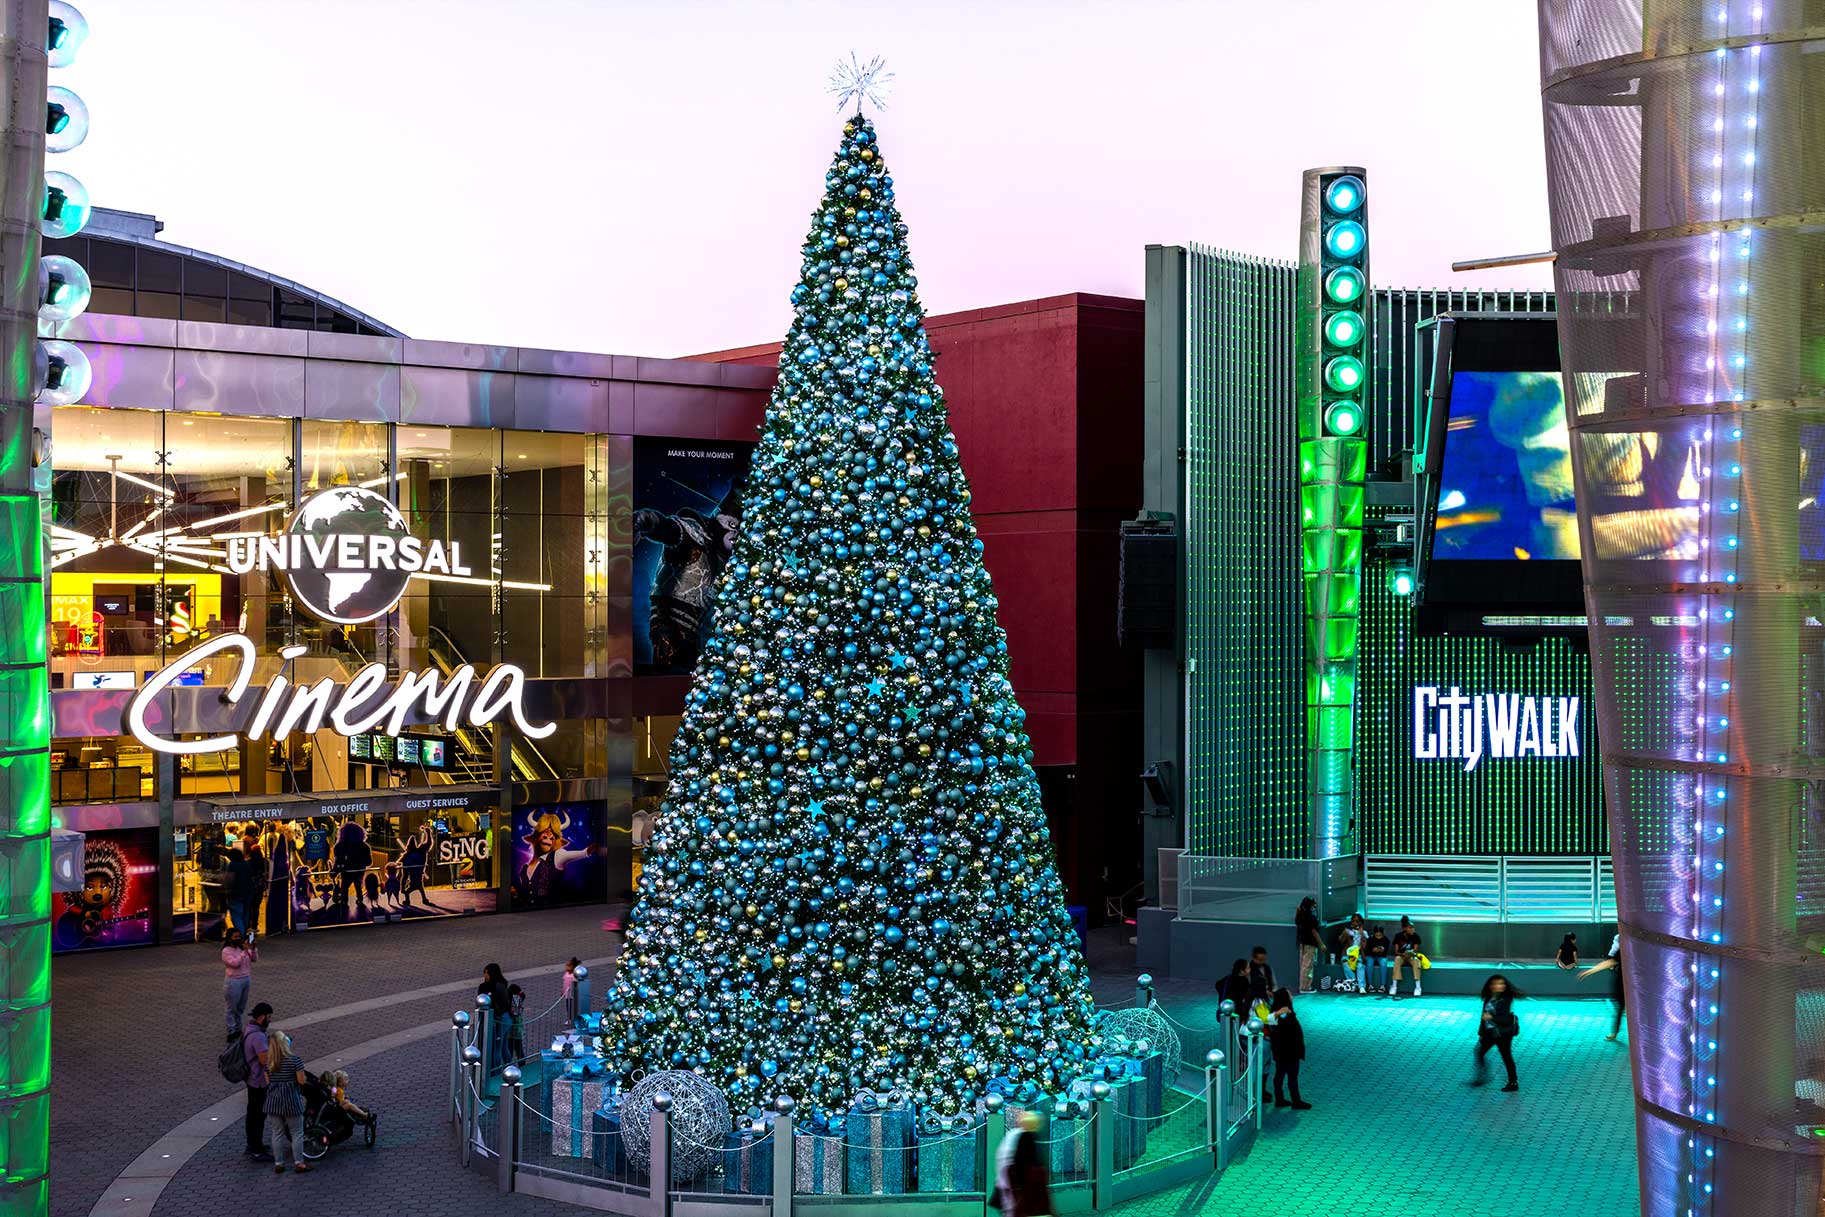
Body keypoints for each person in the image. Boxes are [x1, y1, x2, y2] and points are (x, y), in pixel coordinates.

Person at [264, 1029, 313, 1174]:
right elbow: (301, 1080)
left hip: (273, 1100)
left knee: (277, 1132)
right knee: (297, 1132)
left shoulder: (269, 1063)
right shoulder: (294, 1060)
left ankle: (278, 1163)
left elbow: (267, 1082)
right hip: (291, 1099)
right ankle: (299, 1163)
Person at [992, 1109, 1052, 1217]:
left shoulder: (1014, 1135)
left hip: (1012, 1182)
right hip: (1019, 1183)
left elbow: (1003, 1159)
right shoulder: (1025, 1137)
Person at [1472, 975, 1522, 1092]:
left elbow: (1504, 1017)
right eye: (1496, 984)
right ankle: (1482, 1076)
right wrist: (1481, 1032)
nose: (1499, 986)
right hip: (1490, 1032)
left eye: (1501, 984)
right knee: (1479, 1052)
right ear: (1490, 986)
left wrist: (1491, 1017)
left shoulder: (1506, 998)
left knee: (1506, 1056)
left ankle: (1513, 1082)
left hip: (1502, 1033)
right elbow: (1483, 1016)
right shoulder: (1489, 997)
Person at [1267, 988, 1310, 1110]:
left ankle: (1280, 1098)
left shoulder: (1277, 1012)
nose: (1292, 996)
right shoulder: (1284, 1014)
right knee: (1292, 1076)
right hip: (1289, 1050)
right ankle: (1296, 1101)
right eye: (1289, 994)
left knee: (1280, 1074)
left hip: (1280, 1050)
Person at [1579, 933, 1626, 1041]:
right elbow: (1610, 962)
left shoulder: (1627, 947)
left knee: (1621, 1008)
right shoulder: (1623, 949)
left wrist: (1589, 972)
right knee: (1620, 1008)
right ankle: (1615, 1032)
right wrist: (1589, 971)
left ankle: (1614, 1032)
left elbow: (1610, 962)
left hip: (1626, 983)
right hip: (1622, 983)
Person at [243, 1002, 273, 1161]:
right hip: (259, 1080)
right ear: (262, 1017)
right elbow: (264, 1060)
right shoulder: (259, 1036)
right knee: (259, 1115)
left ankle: (252, 1144)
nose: (270, 1020)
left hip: (250, 1079)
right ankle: (257, 1149)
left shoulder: (249, 1029)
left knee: (252, 1113)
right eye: (268, 1017)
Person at [221, 928, 257, 1037]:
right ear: (229, 938)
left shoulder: (243, 948)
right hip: (233, 981)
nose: (238, 939)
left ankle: (239, 1029)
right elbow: (235, 963)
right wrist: (244, 952)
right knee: (231, 1008)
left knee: (241, 1007)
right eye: (235, 937)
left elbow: (254, 959)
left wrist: (253, 949)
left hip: (246, 979)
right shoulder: (226, 951)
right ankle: (231, 1031)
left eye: (239, 936)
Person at [478, 963, 511, 1070]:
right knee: (503, 1046)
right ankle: (508, 1068)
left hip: (499, 1018)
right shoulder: (502, 984)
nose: (485, 976)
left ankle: (496, 1071)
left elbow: (501, 1003)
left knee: (497, 1047)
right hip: (505, 1018)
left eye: (486, 973)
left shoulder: (494, 986)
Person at [1390, 916, 1424, 999]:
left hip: (1411, 956)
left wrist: (1410, 953)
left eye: (1413, 928)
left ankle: (1418, 987)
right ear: (1405, 928)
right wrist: (1403, 954)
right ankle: (1394, 986)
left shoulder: (1416, 936)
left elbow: (1415, 951)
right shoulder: (1398, 936)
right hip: (1402, 956)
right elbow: (1396, 952)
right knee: (1397, 959)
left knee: (1416, 961)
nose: (1413, 930)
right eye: (1410, 928)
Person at [1294, 897, 1323, 995]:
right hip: (1310, 943)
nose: (1315, 906)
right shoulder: (1311, 917)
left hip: (1302, 942)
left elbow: (1297, 922)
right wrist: (1321, 944)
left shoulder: (1301, 915)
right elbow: (1314, 931)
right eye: (1314, 904)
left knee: (1303, 965)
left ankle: (1303, 986)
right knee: (1307, 966)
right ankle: (1305, 987)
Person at [224, 842, 253, 937]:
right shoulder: (246, 864)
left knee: (236, 915)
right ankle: (244, 933)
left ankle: (241, 935)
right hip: (247, 892)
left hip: (236, 894)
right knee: (245, 915)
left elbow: (229, 880)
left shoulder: (232, 865)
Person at [1337, 914, 1367, 993]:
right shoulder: (1348, 931)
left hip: (1359, 955)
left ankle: (1361, 986)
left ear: (1361, 923)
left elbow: (1365, 947)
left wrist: (1361, 934)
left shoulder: (1364, 933)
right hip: (1348, 955)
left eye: (1357, 921)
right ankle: (1354, 983)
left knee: (1360, 966)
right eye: (1353, 921)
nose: (1355, 923)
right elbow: (1340, 941)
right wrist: (1344, 934)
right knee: (1345, 963)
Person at [1245, 946, 1276, 1018]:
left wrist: (1274, 992)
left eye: (1264, 959)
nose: (1262, 962)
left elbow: (1274, 983)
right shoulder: (1249, 969)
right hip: (1254, 999)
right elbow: (1249, 985)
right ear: (1253, 958)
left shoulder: (1268, 968)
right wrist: (1264, 991)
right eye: (1260, 960)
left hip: (1268, 998)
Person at [1364, 925, 1391, 994]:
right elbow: (1367, 951)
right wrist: (1373, 950)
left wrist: (1381, 950)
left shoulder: (1386, 940)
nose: (1378, 936)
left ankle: (1383, 985)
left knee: (1383, 963)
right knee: (1369, 963)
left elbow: (1386, 953)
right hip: (1371, 956)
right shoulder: (1370, 939)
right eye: (1377, 935)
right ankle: (1369, 985)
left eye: (1380, 935)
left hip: (1381, 956)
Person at [505, 983, 527, 1063]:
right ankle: (522, 1065)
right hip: (518, 1030)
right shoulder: (520, 999)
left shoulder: (511, 1000)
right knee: (519, 1049)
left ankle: (507, 1065)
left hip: (510, 1030)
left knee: (510, 1049)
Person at [563, 957, 583, 1026]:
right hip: (567, 994)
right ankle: (569, 1018)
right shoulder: (566, 974)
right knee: (568, 1007)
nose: (566, 967)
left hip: (572, 995)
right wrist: (563, 991)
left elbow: (576, 984)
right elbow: (565, 983)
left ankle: (573, 1019)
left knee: (572, 1007)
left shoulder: (574, 975)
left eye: (568, 966)